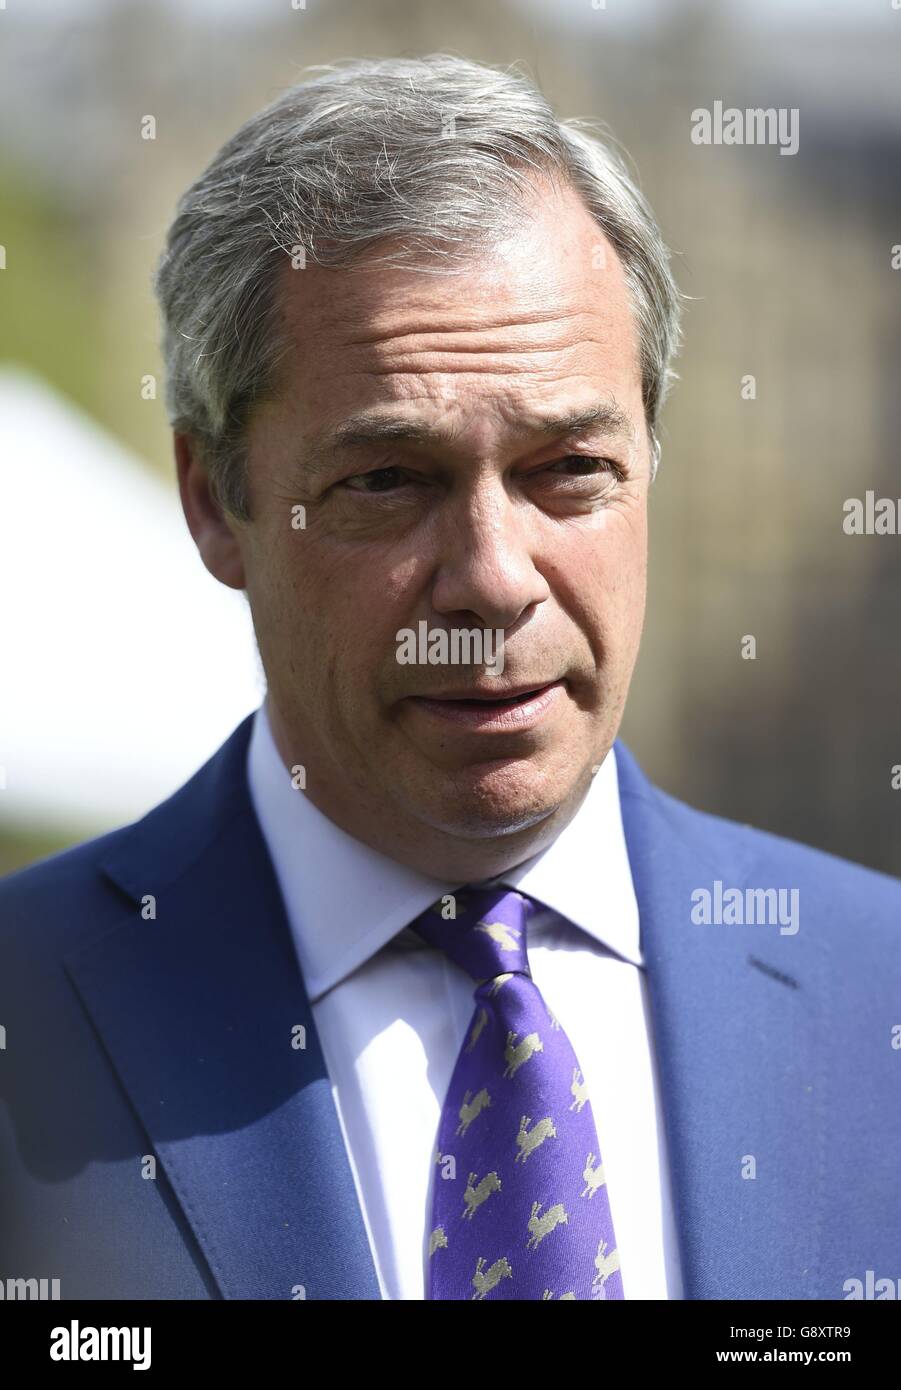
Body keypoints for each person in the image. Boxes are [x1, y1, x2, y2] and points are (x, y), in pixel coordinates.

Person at [1, 54, 898, 1303]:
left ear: (652, 457)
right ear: (215, 501)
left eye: (568, 467)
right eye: (387, 480)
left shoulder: (878, 997)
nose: (492, 576)